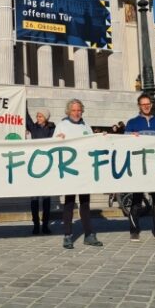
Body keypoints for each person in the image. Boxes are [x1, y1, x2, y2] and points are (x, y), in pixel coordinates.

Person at [53, 99, 103, 249]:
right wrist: (57, 140)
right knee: (69, 204)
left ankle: (89, 234)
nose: (77, 113)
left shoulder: (86, 126)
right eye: (74, 110)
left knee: (85, 204)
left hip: (84, 171)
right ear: (68, 111)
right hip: (69, 171)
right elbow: (53, 145)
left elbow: (92, 144)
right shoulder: (61, 125)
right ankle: (68, 235)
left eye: (79, 110)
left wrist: (101, 138)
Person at [125, 93, 155, 242]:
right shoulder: (132, 122)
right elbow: (123, 144)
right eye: (143, 104)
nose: (146, 106)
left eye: (148, 104)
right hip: (139, 166)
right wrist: (129, 138)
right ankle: (134, 230)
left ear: (151, 105)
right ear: (139, 106)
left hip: (154, 166)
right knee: (136, 200)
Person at [26, 107, 55, 235]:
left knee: (46, 199)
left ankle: (45, 225)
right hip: (34, 165)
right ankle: (36, 224)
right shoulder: (34, 128)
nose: (38, 118)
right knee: (34, 199)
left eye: (40, 116)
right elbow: (27, 118)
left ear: (46, 118)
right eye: (37, 116)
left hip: (47, 166)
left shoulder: (52, 129)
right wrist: (24, 103)